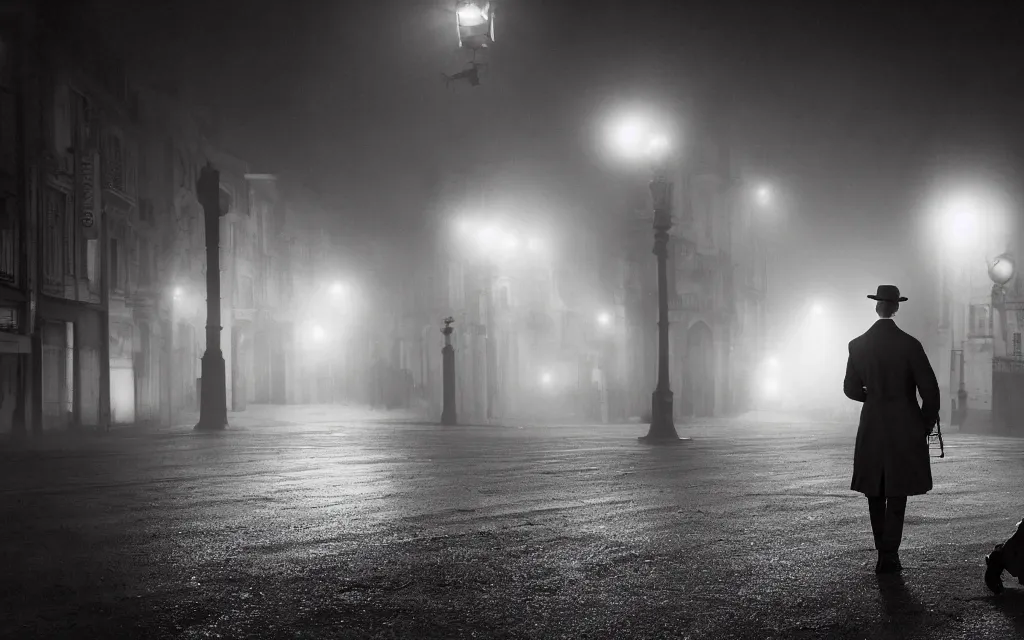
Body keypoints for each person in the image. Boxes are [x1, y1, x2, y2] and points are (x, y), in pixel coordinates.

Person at [843, 285, 940, 574]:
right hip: (904, 425)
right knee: (897, 491)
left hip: (872, 424)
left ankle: (881, 551)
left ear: (876, 307)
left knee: (874, 489)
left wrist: (871, 396)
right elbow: (930, 391)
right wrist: (923, 424)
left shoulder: (857, 345)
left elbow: (849, 389)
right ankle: (890, 554)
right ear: (896, 308)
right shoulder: (910, 344)